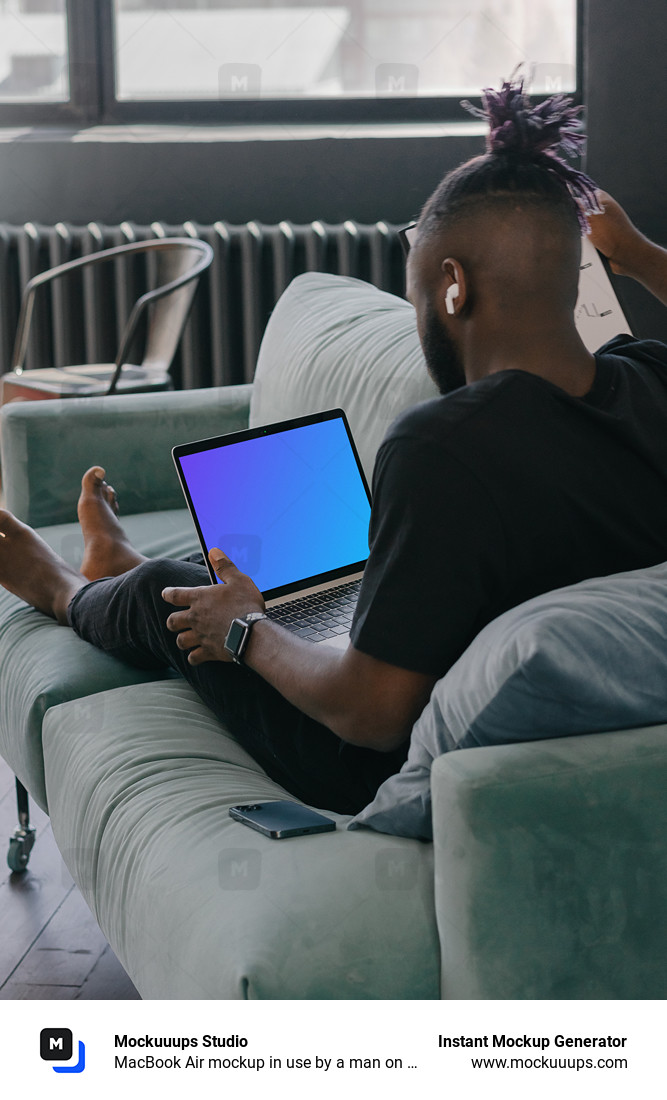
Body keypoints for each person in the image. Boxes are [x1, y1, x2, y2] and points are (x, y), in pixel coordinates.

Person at [1, 76, 667, 816]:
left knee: (177, 594)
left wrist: (245, 631)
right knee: (250, 583)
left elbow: (369, 714)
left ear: (451, 288)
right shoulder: (649, 378)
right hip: (536, 708)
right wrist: (637, 255)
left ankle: (68, 589)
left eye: (416, 296)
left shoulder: (444, 445)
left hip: (363, 761)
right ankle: (122, 570)